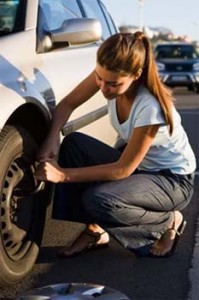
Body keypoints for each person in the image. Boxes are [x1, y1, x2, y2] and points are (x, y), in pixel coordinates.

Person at [35, 31, 196, 258]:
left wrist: (62, 175)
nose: (103, 88)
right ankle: (95, 230)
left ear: (136, 75)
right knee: (72, 144)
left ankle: (167, 222)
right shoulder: (107, 76)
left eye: (112, 84)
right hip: (141, 168)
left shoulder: (151, 107)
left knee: (99, 199)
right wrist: (52, 138)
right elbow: (67, 104)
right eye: (99, 78)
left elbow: (123, 170)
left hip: (172, 180)